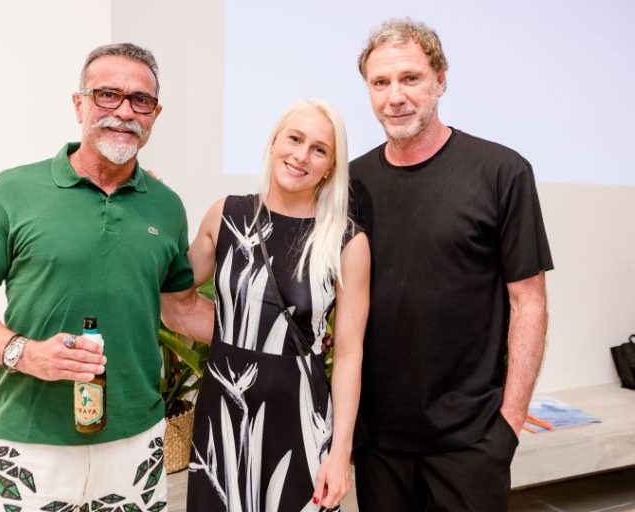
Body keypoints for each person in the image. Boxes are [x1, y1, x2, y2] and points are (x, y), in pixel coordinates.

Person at [0, 43, 210, 511]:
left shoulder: (166, 205)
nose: (124, 111)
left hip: (136, 443)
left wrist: (280, 335)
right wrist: (25, 353)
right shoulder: (10, 192)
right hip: (28, 442)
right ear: (79, 104)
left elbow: (181, 307)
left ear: (155, 114)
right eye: (107, 95)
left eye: (140, 100)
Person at [349, 19, 554, 511]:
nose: (395, 97)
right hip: (379, 444)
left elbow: (529, 302)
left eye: (411, 78)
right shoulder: (352, 182)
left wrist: (508, 425)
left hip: (471, 443)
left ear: (441, 80)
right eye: (381, 83)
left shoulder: (502, 172)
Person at [162, 99, 370, 512]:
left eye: (319, 149)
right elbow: (174, 297)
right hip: (224, 411)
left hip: (300, 418)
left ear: (330, 166)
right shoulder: (225, 214)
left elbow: (349, 354)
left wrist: (340, 452)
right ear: (275, 142)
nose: (301, 155)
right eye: (294, 139)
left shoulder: (346, 241)